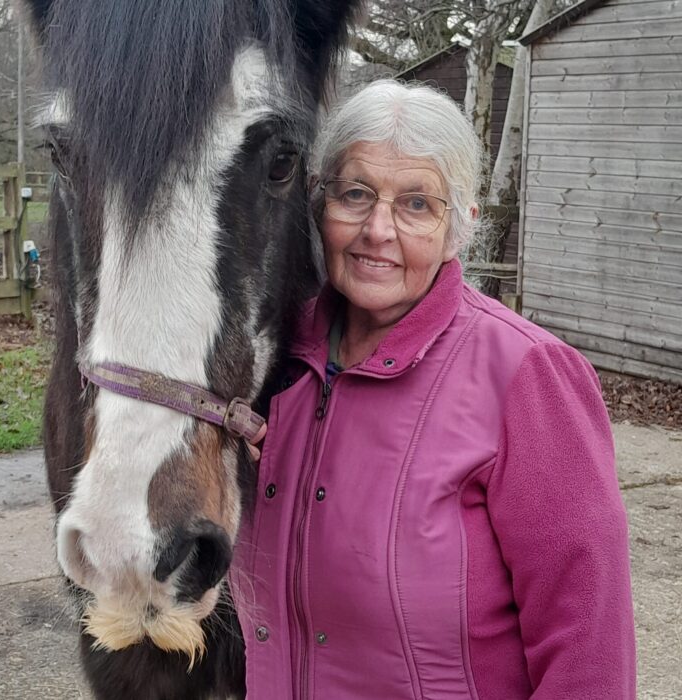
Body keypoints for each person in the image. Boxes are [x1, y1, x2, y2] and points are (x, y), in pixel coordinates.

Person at [234, 80, 636, 699]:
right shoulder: (272, 360)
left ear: (462, 226)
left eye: (417, 204)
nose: (378, 229)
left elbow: (587, 647)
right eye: (356, 193)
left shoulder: (526, 375)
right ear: (318, 204)